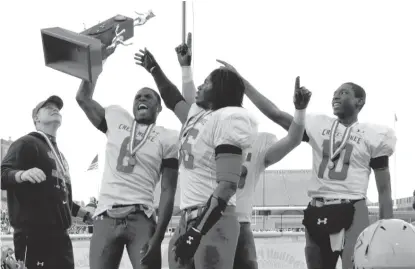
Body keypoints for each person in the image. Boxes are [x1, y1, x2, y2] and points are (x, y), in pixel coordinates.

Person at [172, 36, 312, 269]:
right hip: (206, 214)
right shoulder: (208, 129)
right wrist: (186, 69)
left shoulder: (251, 139)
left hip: (234, 219)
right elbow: (191, 102)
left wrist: (299, 112)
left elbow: (294, 138)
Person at [243, 77, 396, 269]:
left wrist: (387, 231)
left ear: (359, 102)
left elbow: (384, 189)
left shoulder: (373, 135)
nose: (336, 96)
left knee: (356, 265)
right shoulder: (319, 124)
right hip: (318, 207)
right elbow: (277, 115)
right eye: (335, 93)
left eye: (344, 92)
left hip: (353, 207)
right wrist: (244, 85)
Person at [134, 45, 257, 269]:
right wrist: (154, 68)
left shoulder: (229, 119)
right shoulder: (197, 116)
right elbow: (172, 99)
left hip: (213, 219)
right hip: (188, 217)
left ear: (220, 90)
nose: (200, 85)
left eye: (207, 82)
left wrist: (197, 231)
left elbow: (227, 185)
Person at [76, 70, 180, 269]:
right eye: (138, 96)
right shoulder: (117, 117)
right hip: (106, 214)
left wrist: (158, 238)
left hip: (141, 216)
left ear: (159, 107)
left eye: (148, 96)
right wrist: (94, 67)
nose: (141, 98)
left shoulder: (168, 137)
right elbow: (82, 98)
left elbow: (168, 190)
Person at [1, 95, 92, 269]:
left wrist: (86, 214)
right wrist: (21, 174)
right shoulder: (27, 142)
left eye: (57, 107)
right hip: (35, 236)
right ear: (36, 118)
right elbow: (2, 174)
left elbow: (62, 199)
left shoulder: (60, 156)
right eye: (47, 107)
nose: (55, 109)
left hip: (62, 239)